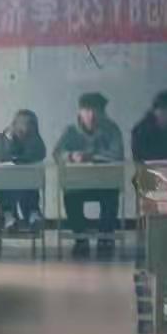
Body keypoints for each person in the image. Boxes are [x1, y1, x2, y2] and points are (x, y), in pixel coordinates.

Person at [53, 92, 125, 258]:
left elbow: (117, 154)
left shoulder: (112, 129)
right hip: (79, 183)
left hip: (104, 182)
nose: (91, 116)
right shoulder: (71, 130)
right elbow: (57, 153)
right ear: (80, 112)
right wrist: (72, 156)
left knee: (111, 195)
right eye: (87, 111)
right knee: (70, 195)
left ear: (103, 113)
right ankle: (80, 238)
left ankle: (105, 237)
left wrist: (93, 157)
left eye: (96, 111)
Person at [0, 109, 46, 233]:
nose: (25, 127)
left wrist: (29, 140)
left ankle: (25, 216)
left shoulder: (35, 138)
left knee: (28, 187)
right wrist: (9, 139)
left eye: (29, 124)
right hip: (7, 180)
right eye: (22, 123)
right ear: (14, 124)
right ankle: (13, 216)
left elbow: (39, 154)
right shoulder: (3, 137)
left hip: (27, 180)